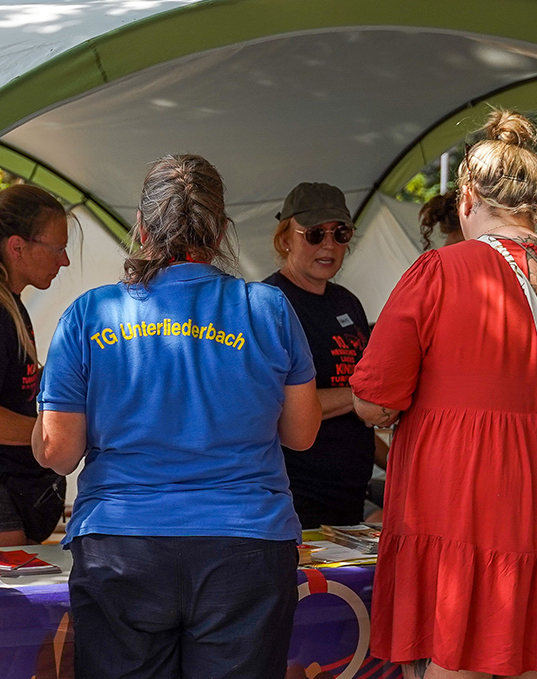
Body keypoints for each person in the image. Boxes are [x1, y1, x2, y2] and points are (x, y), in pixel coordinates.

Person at [349, 110, 537, 679]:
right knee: (531, 661)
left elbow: (373, 402)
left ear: (467, 197)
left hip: (456, 505)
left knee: (453, 661)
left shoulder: (438, 272)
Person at [34, 154, 322, 679]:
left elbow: (58, 453)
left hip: (123, 548)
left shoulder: (90, 312)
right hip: (247, 546)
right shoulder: (269, 308)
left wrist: (43, 414)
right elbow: (302, 435)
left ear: (142, 228)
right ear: (221, 230)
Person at [0, 184, 71, 547]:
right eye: (57, 248)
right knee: (9, 603)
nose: (64, 261)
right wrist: (54, 434)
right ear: (17, 247)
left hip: (3, 490)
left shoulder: (5, 305)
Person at [264, 181, 378, 527]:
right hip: (294, 499)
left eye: (340, 233)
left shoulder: (348, 302)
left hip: (349, 498)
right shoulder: (270, 303)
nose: (329, 245)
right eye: (314, 234)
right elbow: (276, 406)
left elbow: (362, 404)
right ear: (285, 239)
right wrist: (359, 397)